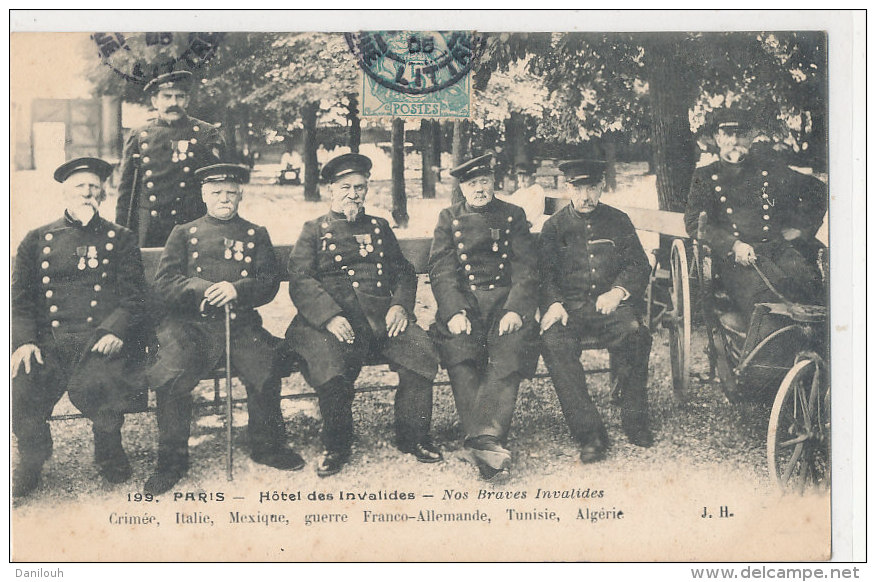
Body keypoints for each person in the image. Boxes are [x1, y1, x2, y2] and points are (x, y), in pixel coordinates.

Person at [144, 163, 304, 494]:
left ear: (241, 195)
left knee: (266, 365)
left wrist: (237, 290)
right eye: (216, 192)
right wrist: (202, 289)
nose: (224, 198)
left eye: (231, 192)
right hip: (190, 325)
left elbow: (268, 282)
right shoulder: (183, 233)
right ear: (204, 195)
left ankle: (266, 446)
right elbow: (165, 283)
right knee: (171, 374)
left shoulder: (255, 233)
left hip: (239, 323)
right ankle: (171, 461)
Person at [283, 153, 442, 477]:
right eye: (345, 187)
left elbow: (404, 272)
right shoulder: (314, 230)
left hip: (381, 318)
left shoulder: (380, 228)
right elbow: (300, 278)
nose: (353, 194)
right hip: (332, 321)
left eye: (359, 188)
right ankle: (337, 445)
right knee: (330, 368)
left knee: (420, 352)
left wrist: (400, 306)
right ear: (331, 190)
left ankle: (413, 436)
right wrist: (327, 316)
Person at [11, 158, 150, 498]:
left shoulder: (121, 239)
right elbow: (19, 299)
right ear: (64, 192)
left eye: (93, 187)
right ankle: (31, 456)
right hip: (50, 341)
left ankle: (109, 449)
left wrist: (116, 331)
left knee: (105, 382)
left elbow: (134, 298)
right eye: (79, 186)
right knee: (23, 382)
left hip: (99, 339)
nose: (87, 193)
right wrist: (25, 341)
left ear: (103, 192)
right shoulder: (36, 239)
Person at [428, 153, 539, 479]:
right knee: (460, 351)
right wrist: (453, 311)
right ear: (462, 187)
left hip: (504, 303)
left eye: (484, 182)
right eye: (472, 183)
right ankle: (488, 441)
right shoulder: (448, 217)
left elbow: (526, 268)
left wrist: (516, 309)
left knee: (510, 348)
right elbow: (441, 269)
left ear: (494, 183)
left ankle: (481, 440)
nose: (479, 189)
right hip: (465, 305)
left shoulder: (512, 215)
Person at [539, 160, 654, 458]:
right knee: (554, 344)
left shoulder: (618, 221)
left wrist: (618, 292)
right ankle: (589, 433)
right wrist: (553, 303)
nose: (586, 195)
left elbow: (638, 264)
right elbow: (543, 275)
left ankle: (635, 418)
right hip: (570, 310)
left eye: (592, 187)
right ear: (567, 188)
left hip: (611, 308)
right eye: (578, 188)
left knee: (636, 334)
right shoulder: (553, 227)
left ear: (602, 186)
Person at [685, 108, 827, 327]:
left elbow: (817, 190)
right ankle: (768, 354)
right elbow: (695, 222)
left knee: (811, 288)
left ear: (751, 137)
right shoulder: (704, 176)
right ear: (716, 137)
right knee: (767, 305)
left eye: (741, 134)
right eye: (727, 134)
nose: (734, 140)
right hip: (737, 259)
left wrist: (800, 229)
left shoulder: (768, 169)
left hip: (778, 249)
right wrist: (733, 245)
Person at [116, 70, 225, 247]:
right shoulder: (139, 135)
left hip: (191, 222)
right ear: (155, 101)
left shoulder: (206, 134)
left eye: (179, 97)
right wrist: (121, 232)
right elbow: (125, 191)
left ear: (187, 101)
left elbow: (220, 185)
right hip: (149, 226)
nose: (173, 103)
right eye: (166, 97)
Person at [502, 160, 547, 231]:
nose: (522, 180)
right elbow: (509, 203)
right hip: (516, 223)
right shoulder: (521, 191)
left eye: (525, 176)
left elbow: (532, 216)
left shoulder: (537, 190)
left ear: (533, 177)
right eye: (519, 176)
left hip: (528, 228)